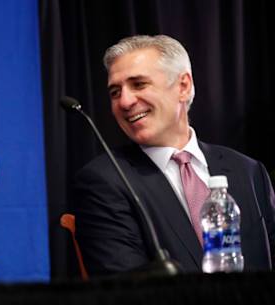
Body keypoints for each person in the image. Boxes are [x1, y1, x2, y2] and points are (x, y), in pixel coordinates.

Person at [73, 34, 275, 277]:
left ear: (183, 86)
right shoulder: (104, 181)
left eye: (138, 84)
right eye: (115, 92)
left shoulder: (249, 171)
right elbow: (126, 288)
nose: (124, 101)